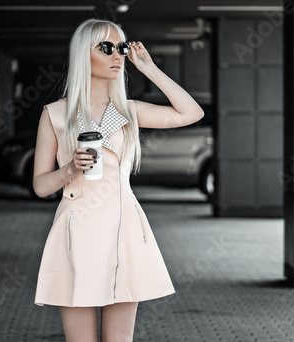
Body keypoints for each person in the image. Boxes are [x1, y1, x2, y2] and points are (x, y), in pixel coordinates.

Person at [32, 18, 204, 342]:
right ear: (85, 54)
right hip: (76, 232)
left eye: (121, 48)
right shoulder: (56, 114)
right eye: (107, 48)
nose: (118, 56)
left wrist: (149, 68)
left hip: (124, 228)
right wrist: (70, 169)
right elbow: (41, 186)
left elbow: (191, 113)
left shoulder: (129, 110)